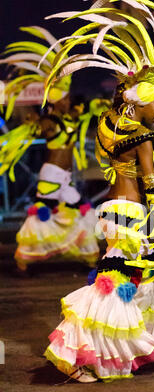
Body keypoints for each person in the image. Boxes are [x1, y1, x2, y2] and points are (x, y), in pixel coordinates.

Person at [42, 0, 154, 383]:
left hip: (113, 207)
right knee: (114, 284)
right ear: (143, 103)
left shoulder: (107, 124)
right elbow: (152, 186)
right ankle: (82, 357)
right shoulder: (144, 138)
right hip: (132, 212)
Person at [0, 26, 111, 270]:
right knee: (42, 213)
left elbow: (88, 112)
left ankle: (87, 253)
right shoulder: (49, 122)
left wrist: (97, 106)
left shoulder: (72, 117)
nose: (68, 100)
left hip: (65, 178)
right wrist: (32, 122)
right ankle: (25, 256)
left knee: (79, 209)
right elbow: (37, 126)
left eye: (68, 97)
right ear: (55, 101)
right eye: (64, 98)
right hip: (50, 176)